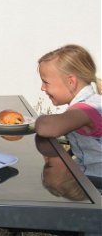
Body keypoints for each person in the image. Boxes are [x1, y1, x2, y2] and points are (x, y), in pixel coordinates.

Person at [35, 44, 102, 179]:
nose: (42, 88)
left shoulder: (86, 109)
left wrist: (39, 120)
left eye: (45, 82)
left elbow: (47, 127)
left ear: (71, 82)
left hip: (95, 183)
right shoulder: (93, 102)